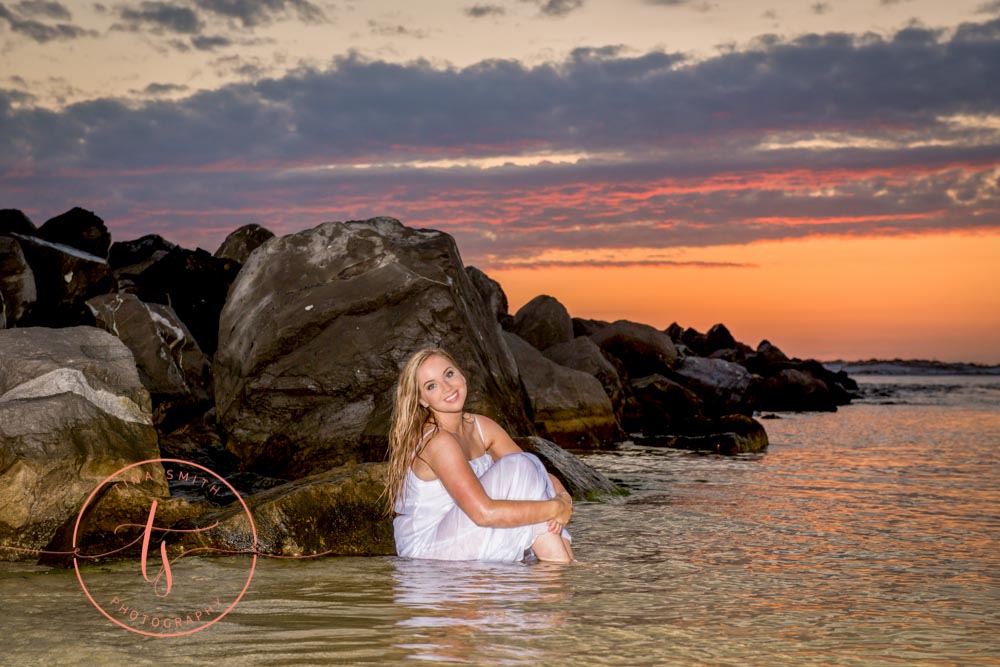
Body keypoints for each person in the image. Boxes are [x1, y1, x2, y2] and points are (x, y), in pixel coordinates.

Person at [387, 348, 574, 563]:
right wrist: (553, 508)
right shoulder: (437, 442)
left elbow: (539, 475)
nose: (447, 388)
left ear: (461, 374)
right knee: (519, 466)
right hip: (429, 554)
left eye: (449, 374)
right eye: (432, 386)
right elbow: (483, 513)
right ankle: (560, 571)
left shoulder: (481, 426)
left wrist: (564, 499)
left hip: (467, 534)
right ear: (422, 400)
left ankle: (561, 568)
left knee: (527, 465)